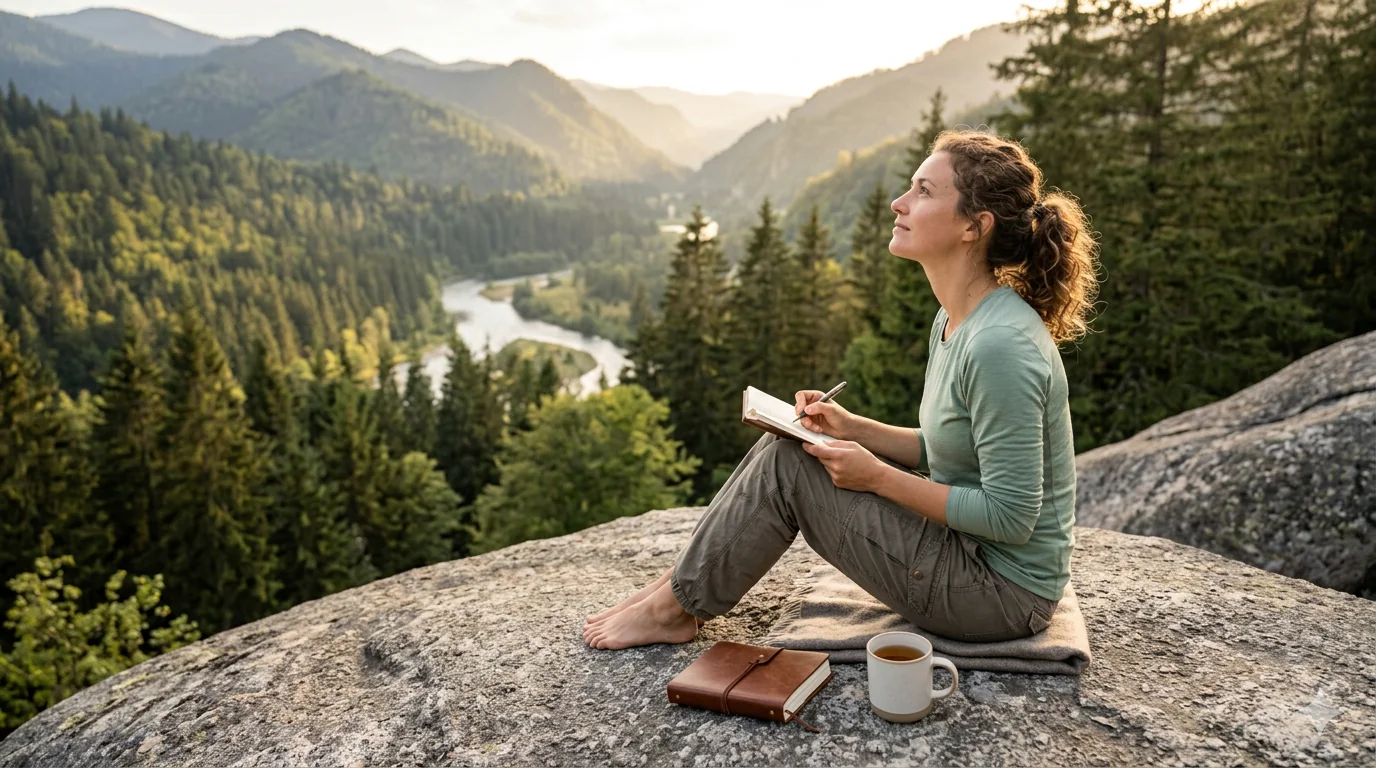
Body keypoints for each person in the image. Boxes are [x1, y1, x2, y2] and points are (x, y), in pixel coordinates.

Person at [583, 128, 1101, 651]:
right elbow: (950, 445)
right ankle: (677, 591)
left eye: (923, 191)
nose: (899, 203)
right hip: (968, 557)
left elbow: (1009, 518)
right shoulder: (956, 318)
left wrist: (875, 477)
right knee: (788, 441)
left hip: (1000, 596)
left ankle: (675, 609)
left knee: (790, 468)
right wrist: (852, 428)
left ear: (974, 225)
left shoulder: (999, 346)